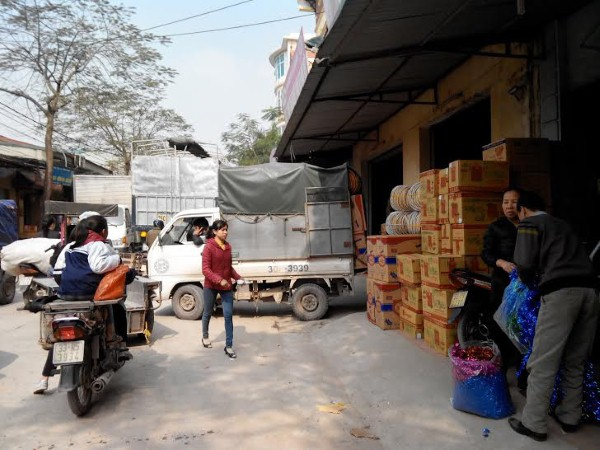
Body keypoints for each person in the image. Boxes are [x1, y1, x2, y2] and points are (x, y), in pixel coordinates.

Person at [508, 190, 599, 441]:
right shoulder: (563, 224)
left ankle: (533, 423)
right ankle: (570, 416)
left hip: (561, 294)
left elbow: (524, 263)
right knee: (576, 359)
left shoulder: (529, 224)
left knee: (543, 360)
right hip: (590, 292)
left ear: (523, 210)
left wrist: (528, 284)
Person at [33, 214, 134, 394]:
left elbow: (57, 272)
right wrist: (117, 261)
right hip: (89, 293)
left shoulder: (70, 247)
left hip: (65, 292)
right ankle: (115, 344)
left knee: (61, 334)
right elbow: (98, 267)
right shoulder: (99, 245)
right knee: (113, 306)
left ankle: (44, 378)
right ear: (103, 231)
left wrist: (69, 285)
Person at [481, 188, 522, 370]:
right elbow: (486, 254)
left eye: (513, 202)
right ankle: (503, 361)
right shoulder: (496, 227)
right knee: (500, 321)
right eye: (506, 202)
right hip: (502, 283)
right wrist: (502, 263)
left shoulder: (529, 225)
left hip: (524, 284)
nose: (509, 206)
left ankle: (521, 362)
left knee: (521, 322)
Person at [201, 219, 242, 358]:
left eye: (226, 229)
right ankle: (205, 336)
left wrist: (238, 277)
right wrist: (219, 280)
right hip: (211, 285)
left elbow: (229, 268)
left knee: (228, 315)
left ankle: (229, 346)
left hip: (226, 287)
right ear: (214, 231)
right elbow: (205, 269)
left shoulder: (228, 246)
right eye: (222, 229)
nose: (225, 232)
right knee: (207, 312)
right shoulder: (208, 247)